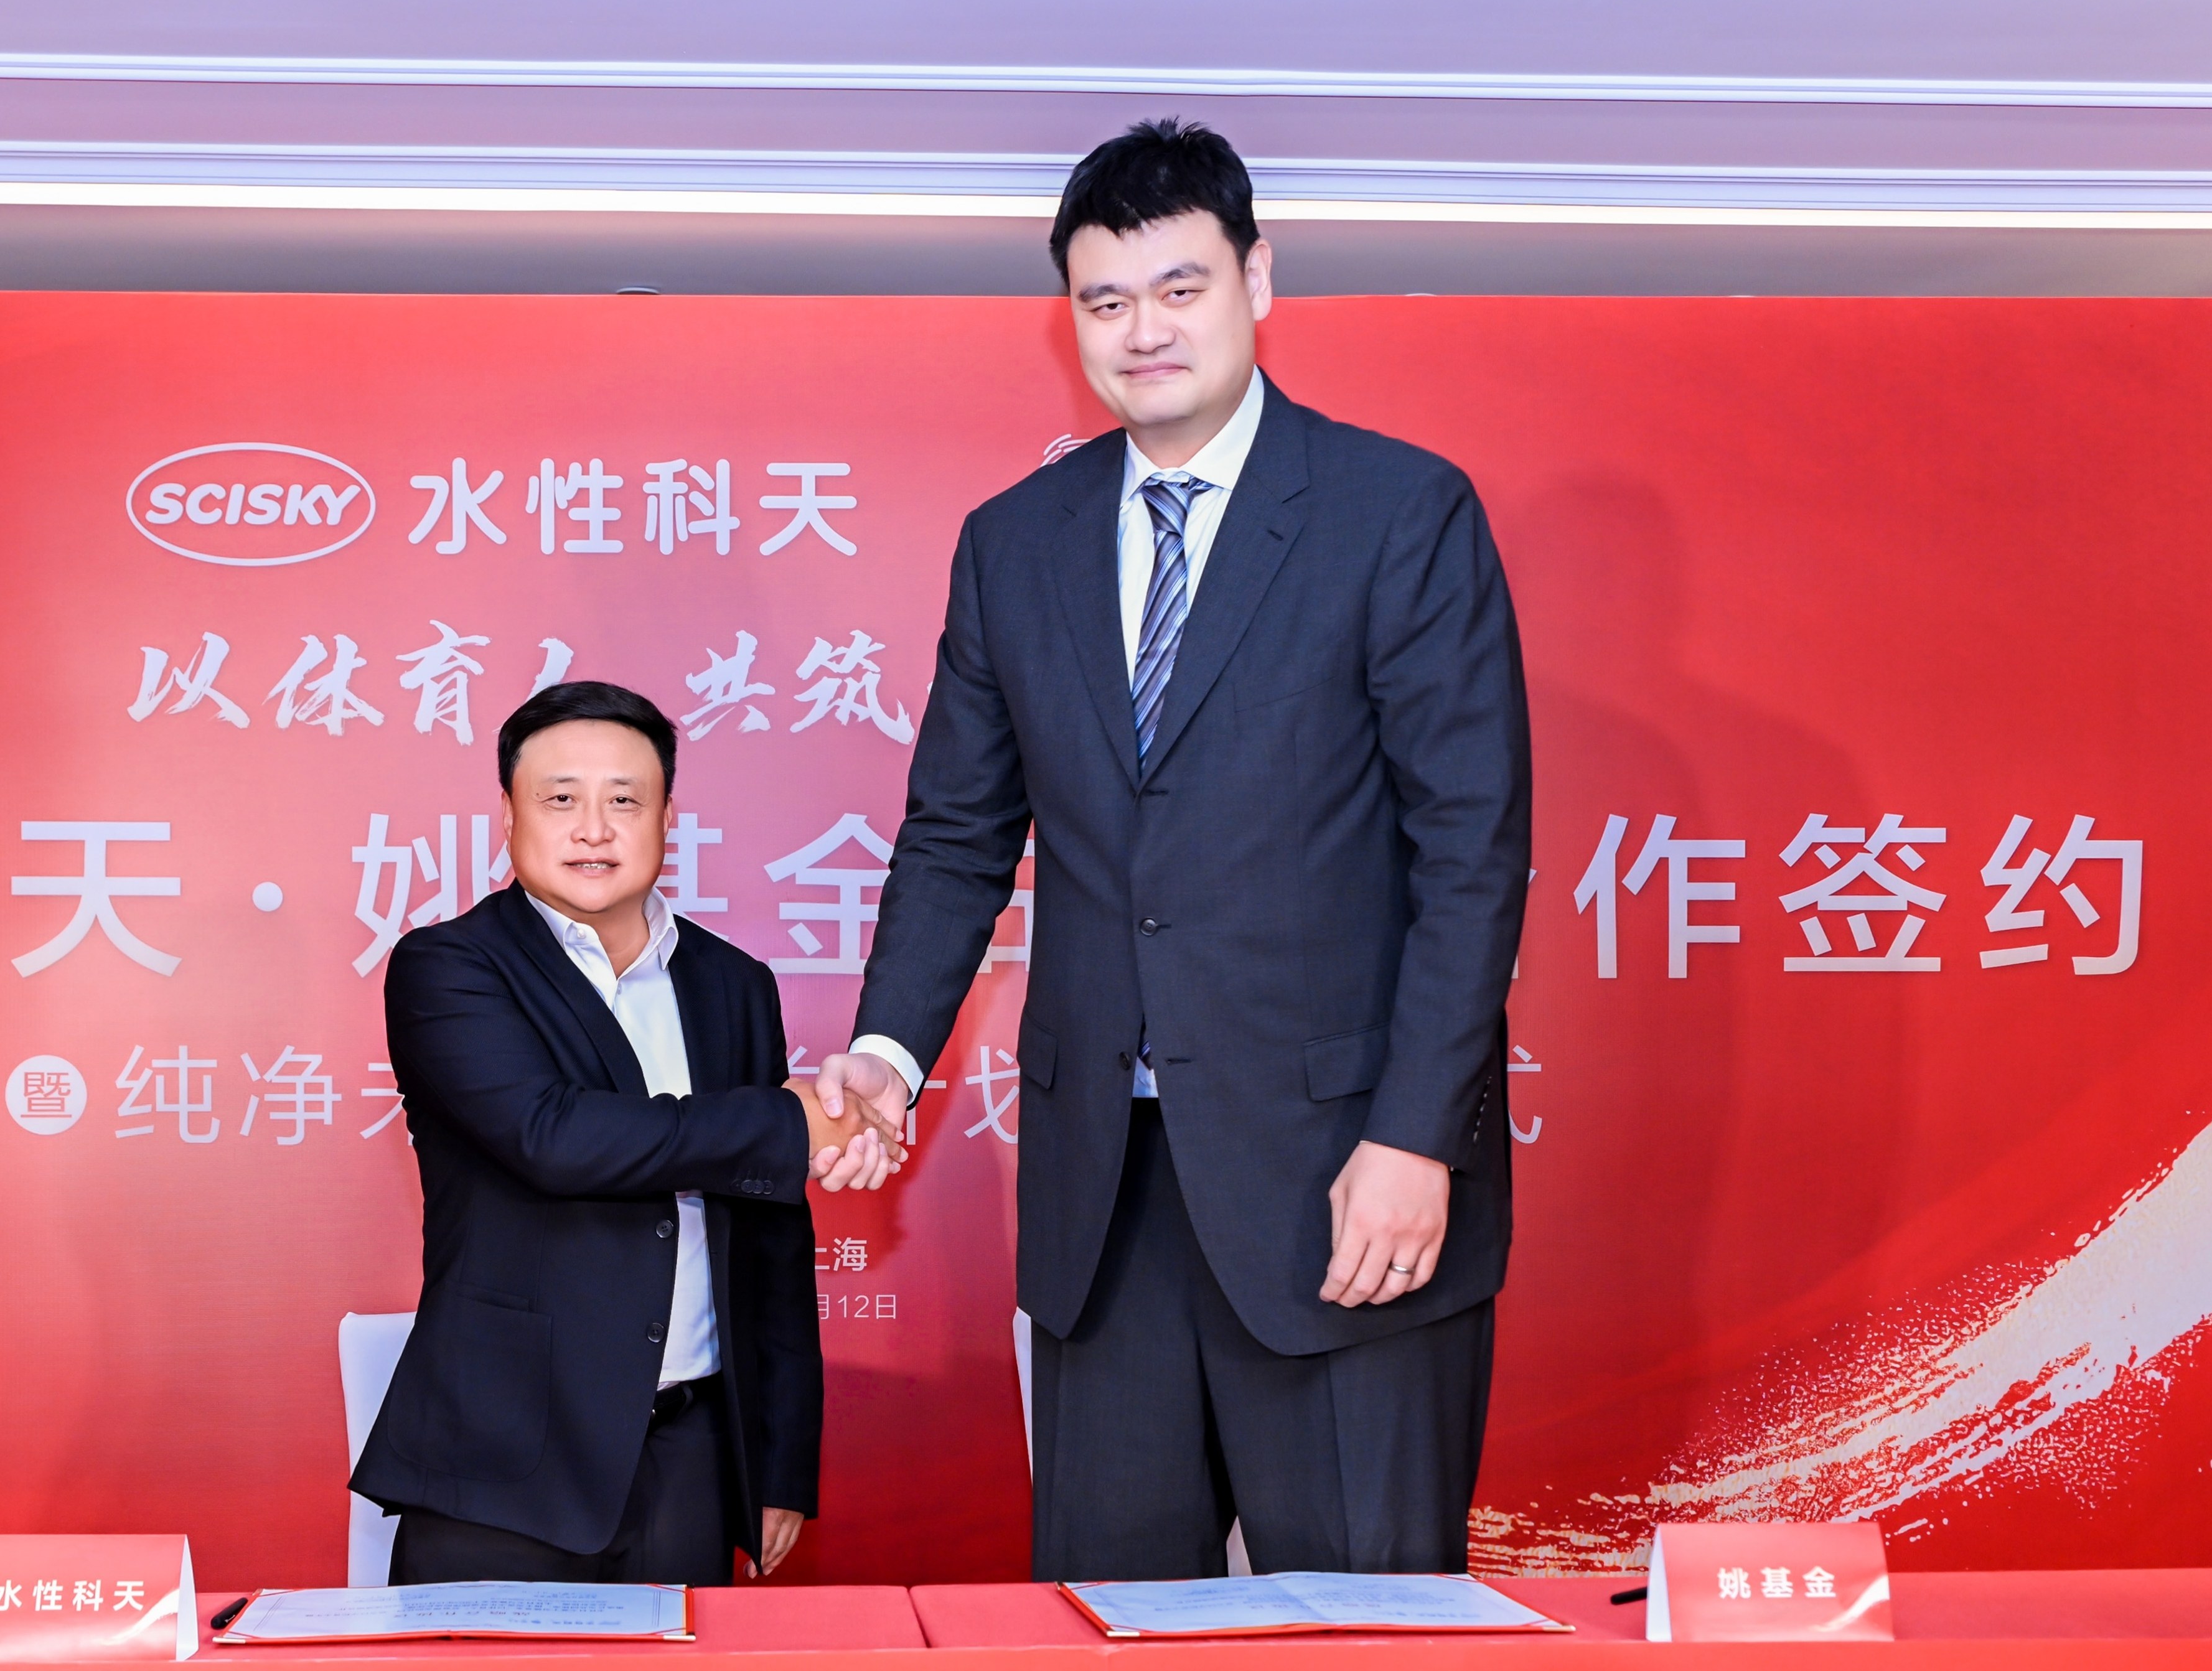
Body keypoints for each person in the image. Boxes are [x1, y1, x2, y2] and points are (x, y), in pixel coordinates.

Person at [813, 119, 1532, 1580]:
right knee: (1107, 1638)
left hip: (1345, 1184)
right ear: (1068, 318)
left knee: (1366, 1636)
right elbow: (955, 835)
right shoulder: (1015, 544)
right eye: (1104, 301)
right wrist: (886, 1057)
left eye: (1178, 288)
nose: (1143, 331)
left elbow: (1469, 852)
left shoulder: (1396, 513)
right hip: (1105, 1200)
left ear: (1256, 280)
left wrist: (1411, 1137)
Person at [353, 680, 901, 1586]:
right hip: (502, 1459)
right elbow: (554, 1137)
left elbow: (767, 1234)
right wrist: (791, 1120)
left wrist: (777, 1461)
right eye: (560, 799)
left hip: (691, 1454)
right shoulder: (449, 967)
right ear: (509, 815)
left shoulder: (733, 984)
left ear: (667, 819)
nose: (593, 830)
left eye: (624, 801)